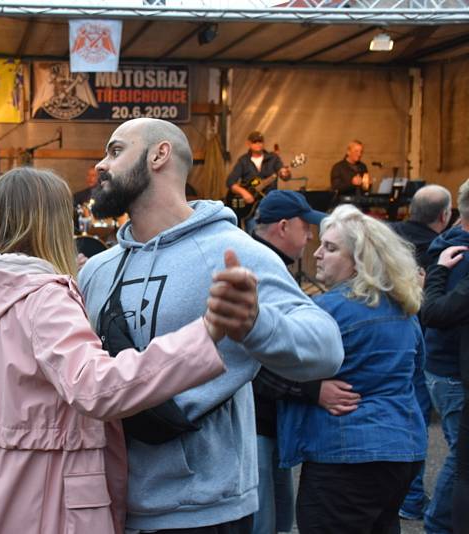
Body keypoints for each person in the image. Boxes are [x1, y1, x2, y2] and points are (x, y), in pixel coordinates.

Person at [0, 166, 260, 534]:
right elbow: (96, 388)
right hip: (39, 504)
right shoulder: (44, 300)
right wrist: (204, 334)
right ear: (53, 222)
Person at [80, 118, 343, 534]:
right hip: (106, 505)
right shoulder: (98, 270)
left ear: (158, 154)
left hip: (203, 510)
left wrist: (255, 323)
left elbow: (326, 348)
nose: (101, 164)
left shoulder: (232, 253)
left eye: (115, 151)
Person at [277, 204, 427, 534]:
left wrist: (310, 390)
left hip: (347, 454)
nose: (317, 254)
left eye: (330, 248)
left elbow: (274, 365)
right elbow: (417, 372)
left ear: (359, 260)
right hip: (402, 448)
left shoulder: (326, 311)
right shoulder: (404, 308)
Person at [249, 190, 327, 534]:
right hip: (255, 421)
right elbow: (251, 362)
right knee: (264, 522)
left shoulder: (268, 264)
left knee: (279, 519)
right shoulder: (259, 268)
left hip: (268, 420)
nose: (311, 237)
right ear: (283, 226)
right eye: (305, 227)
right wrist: (312, 390)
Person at [390, 183, 452, 522]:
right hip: (425, 344)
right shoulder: (444, 250)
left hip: (392, 338)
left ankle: (408, 498)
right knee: (417, 419)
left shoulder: (388, 238)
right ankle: (412, 499)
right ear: (444, 216)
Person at [417, 179, 469, 534]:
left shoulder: (447, 244)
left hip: (443, 367)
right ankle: (438, 523)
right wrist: (437, 272)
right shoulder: (460, 255)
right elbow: (434, 311)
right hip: (451, 371)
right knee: (460, 457)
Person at [226, 130, 291, 228]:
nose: (258, 144)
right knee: (253, 232)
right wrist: (244, 193)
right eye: (255, 142)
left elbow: (284, 176)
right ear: (248, 143)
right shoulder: (243, 160)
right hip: (251, 209)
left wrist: (285, 174)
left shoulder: (273, 158)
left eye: (260, 141)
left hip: (270, 204)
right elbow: (230, 181)